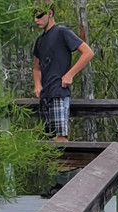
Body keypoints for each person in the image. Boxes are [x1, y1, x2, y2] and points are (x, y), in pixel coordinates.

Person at [32, 2, 94, 142]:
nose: (36, 20)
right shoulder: (40, 41)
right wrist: (37, 84)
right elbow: (36, 67)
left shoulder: (62, 32)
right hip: (45, 95)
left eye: (40, 16)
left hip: (59, 92)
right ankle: (51, 164)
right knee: (48, 141)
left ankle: (64, 164)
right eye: (34, 16)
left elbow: (88, 53)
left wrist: (70, 74)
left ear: (50, 13)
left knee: (60, 139)